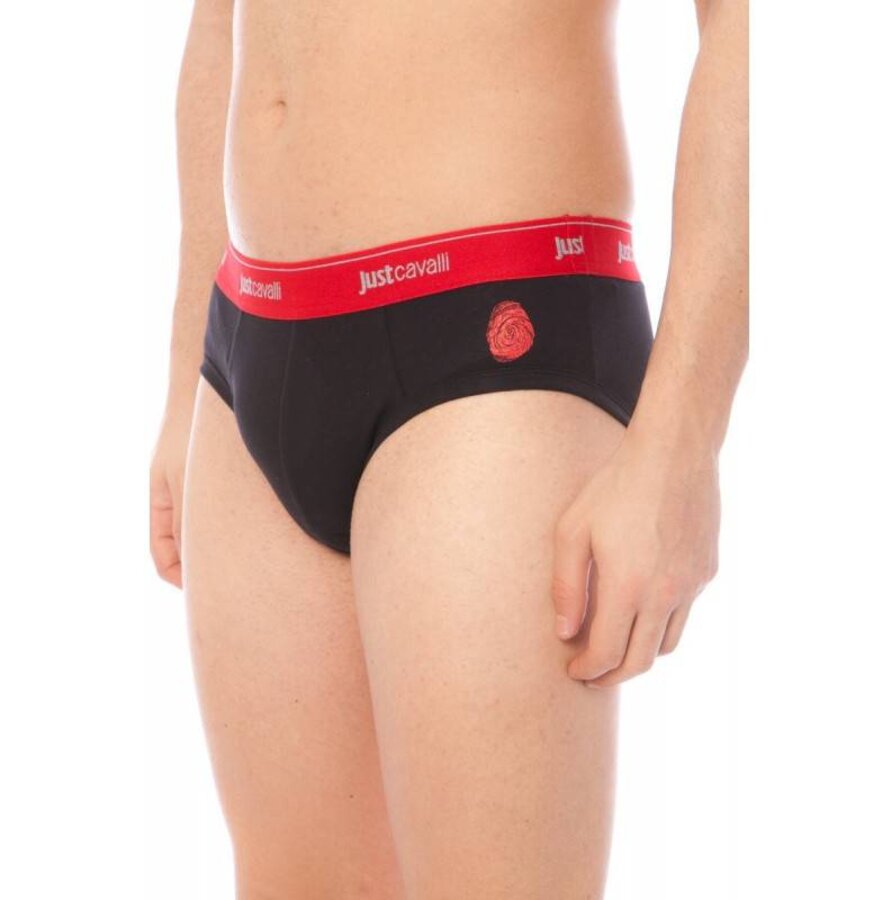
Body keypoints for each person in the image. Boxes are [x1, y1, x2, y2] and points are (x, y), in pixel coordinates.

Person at [149, 0, 748, 896]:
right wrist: (182, 378)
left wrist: (685, 437)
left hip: (491, 332)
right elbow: (216, 23)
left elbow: (747, 27)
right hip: (248, 329)